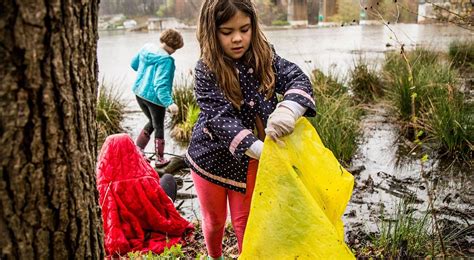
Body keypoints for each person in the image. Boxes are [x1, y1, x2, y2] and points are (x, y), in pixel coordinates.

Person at [185, 0, 316, 259]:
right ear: (212, 32)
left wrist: (289, 109)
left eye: (244, 29)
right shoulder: (205, 70)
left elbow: (298, 78)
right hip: (210, 159)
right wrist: (262, 150)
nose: (237, 38)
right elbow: (222, 119)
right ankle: (215, 257)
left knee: (248, 221)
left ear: (253, 26)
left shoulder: (265, 56)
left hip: (250, 163)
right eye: (227, 32)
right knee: (214, 222)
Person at [96, 133, 194, 256]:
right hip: (151, 223)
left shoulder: (102, 182)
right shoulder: (144, 174)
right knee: (168, 179)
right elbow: (158, 195)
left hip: (123, 230)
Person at [131, 29, 183, 167]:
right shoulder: (166, 60)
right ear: (174, 46)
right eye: (176, 49)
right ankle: (160, 159)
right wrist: (170, 103)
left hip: (139, 92)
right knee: (158, 126)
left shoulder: (146, 48)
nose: (174, 52)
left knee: (151, 122)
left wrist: (146, 72)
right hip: (155, 99)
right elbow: (160, 85)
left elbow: (134, 64)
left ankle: (138, 150)